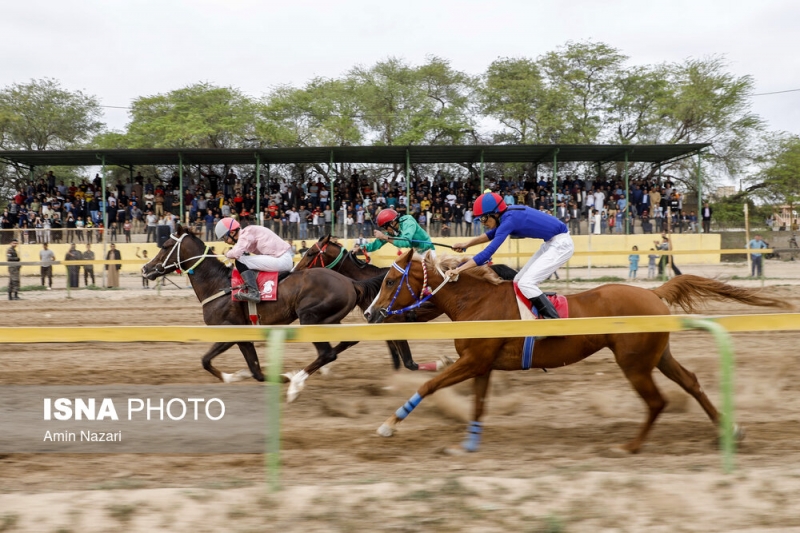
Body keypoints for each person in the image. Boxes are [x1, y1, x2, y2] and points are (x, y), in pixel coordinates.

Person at [447, 192, 574, 319]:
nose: (482, 222)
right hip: (551, 243)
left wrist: (459, 270)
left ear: (495, 213)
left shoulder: (509, 220)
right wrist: (466, 244)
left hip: (561, 245)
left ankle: (554, 321)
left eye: (483, 218)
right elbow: (491, 234)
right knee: (518, 282)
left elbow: (487, 253)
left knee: (526, 283)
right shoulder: (507, 215)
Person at [215, 217, 293, 303]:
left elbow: (236, 253)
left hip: (281, 260)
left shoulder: (246, 234)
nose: (225, 241)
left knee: (240, 261)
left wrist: (227, 254)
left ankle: (254, 292)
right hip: (282, 259)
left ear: (232, 232)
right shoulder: (248, 233)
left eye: (225, 238)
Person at [352, 208, 435, 257]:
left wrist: (384, 237)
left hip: (428, 251)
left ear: (392, 223)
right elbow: (375, 244)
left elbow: (405, 242)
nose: (386, 231)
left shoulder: (408, 222)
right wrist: (361, 247)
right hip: (416, 253)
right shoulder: (393, 230)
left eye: (385, 228)